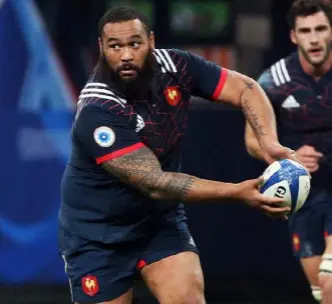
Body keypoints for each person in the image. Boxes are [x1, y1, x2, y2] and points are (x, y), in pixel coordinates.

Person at [59, 6, 295, 304]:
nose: (127, 55)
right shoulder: (98, 109)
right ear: (101, 48)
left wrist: (268, 142)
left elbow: (246, 88)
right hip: (99, 235)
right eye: (115, 46)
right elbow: (156, 183)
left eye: (135, 43)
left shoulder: (176, 66)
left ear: (151, 42)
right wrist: (237, 192)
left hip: (159, 222)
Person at [245, 0, 332, 302]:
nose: (315, 38)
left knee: (330, 280)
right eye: (306, 31)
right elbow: (252, 141)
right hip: (304, 195)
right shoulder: (273, 82)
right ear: (294, 36)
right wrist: (289, 155)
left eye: (321, 28)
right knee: (322, 293)